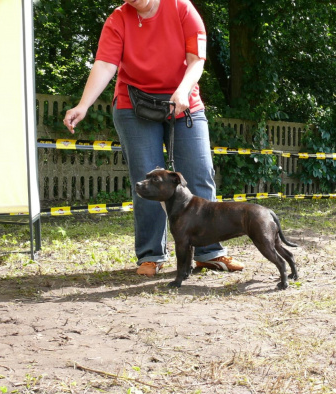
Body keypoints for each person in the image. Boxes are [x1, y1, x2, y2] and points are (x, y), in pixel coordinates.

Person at [63, 0, 244, 276]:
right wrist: (83, 105)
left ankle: (208, 253)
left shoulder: (182, 8)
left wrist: (183, 91)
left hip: (183, 102)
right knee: (146, 183)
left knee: (199, 174)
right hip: (134, 106)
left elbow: (197, 61)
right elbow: (105, 64)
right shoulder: (118, 19)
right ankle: (151, 255)